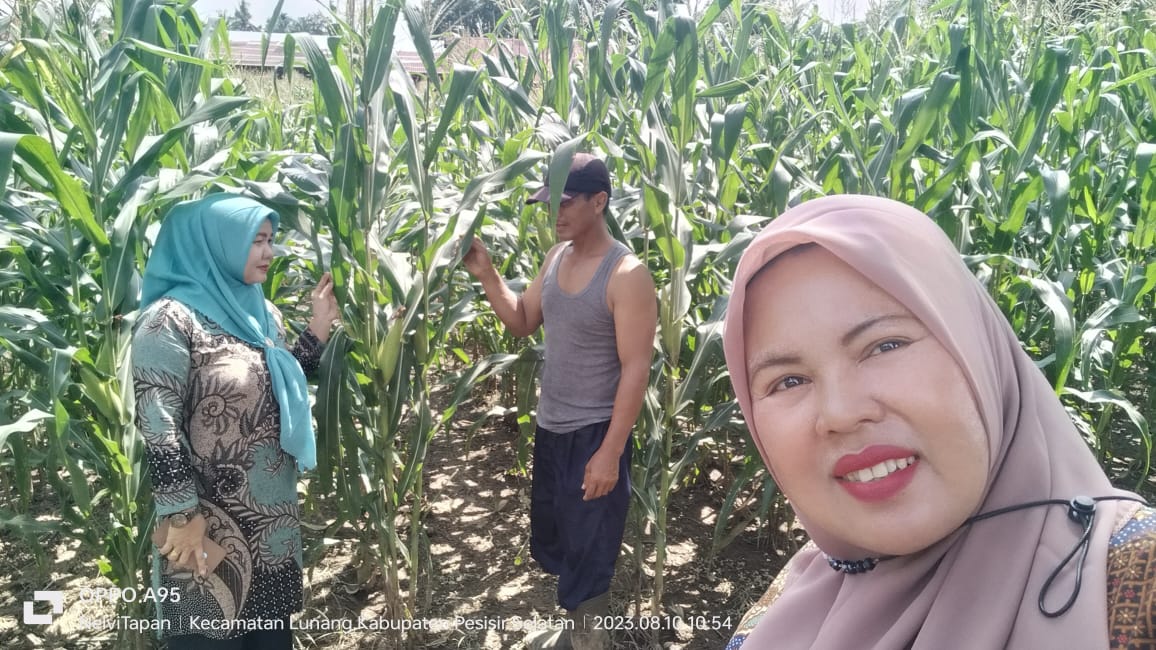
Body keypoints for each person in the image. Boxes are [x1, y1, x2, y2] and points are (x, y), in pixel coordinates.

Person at [721, 194, 1155, 649]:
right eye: (788, 380)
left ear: (979, 353)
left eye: (885, 346)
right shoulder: (786, 606)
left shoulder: (1136, 583)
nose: (841, 413)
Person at [462, 153, 657, 649]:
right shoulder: (555, 258)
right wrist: (487, 275)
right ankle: (577, 634)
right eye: (550, 204)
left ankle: (591, 641)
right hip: (552, 432)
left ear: (600, 201)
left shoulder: (626, 274)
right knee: (562, 542)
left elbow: (637, 367)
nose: (556, 215)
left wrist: (609, 454)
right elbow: (523, 321)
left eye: (566, 203)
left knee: (591, 554)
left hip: (594, 434)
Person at [132, 193, 339, 648]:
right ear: (216, 243)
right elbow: (157, 422)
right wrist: (183, 515)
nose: (269, 252)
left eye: (270, 240)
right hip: (206, 531)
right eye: (256, 241)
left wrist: (317, 331)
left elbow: (274, 391)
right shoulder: (168, 321)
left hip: (272, 532)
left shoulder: (260, 313)